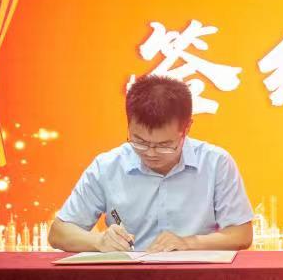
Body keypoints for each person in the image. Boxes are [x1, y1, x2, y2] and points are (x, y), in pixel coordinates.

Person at [49, 75, 253, 252]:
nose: (150, 153)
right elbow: (58, 233)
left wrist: (188, 243)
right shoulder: (107, 166)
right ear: (128, 124)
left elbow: (241, 234)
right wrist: (98, 241)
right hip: (127, 278)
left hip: (198, 277)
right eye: (139, 142)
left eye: (164, 145)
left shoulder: (216, 163)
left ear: (187, 128)